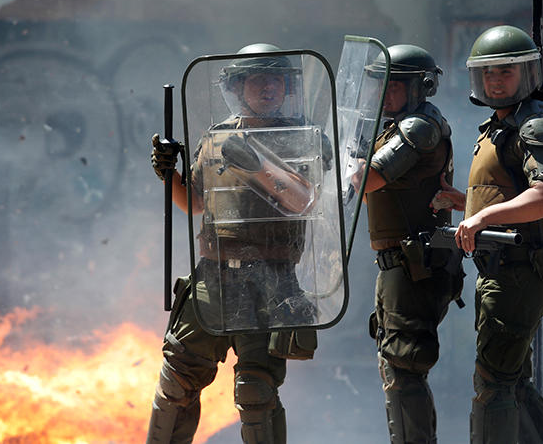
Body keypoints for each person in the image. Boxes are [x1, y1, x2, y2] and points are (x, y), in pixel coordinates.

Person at [146, 43, 330, 443]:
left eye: (276, 81)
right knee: (177, 382)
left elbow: (304, 201)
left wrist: (258, 164)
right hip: (213, 278)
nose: (268, 89)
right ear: (238, 87)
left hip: (271, 281)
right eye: (258, 80)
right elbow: (193, 204)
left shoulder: (302, 139)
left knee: (256, 391)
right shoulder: (217, 138)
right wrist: (168, 173)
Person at [432, 25, 543, 444]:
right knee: (511, 381)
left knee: (494, 384)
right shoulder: (499, 126)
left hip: (519, 270)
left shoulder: (534, 126)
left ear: (526, 75)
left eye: (504, 73)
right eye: (487, 73)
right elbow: (508, 194)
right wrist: (462, 203)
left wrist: (482, 218)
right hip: (500, 269)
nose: (494, 81)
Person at [351, 44, 460, 443]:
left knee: (404, 368)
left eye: (393, 86)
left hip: (416, 265)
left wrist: (353, 163)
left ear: (420, 87)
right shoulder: (396, 123)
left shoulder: (418, 128)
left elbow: (369, 179)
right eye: (379, 85)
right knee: (395, 367)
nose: (384, 95)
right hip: (400, 264)